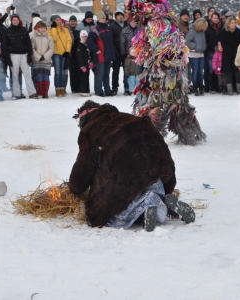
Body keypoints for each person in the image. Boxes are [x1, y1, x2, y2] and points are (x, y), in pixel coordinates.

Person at [69, 100, 195, 231]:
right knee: (149, 184)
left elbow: (83, 169)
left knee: (103, 213)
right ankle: (161, 204)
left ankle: (147, 203)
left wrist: (74, 188)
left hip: (128, 180)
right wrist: (169, 184)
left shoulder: (90, 131)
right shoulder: (129, 118)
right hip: (160, 174)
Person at [2, 14, 38, 99]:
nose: (15, 21)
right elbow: (5, 46)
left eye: (17, 20)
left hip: (24, 55)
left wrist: (29, 55)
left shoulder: (24, 30)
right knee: (15, 75)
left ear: (19, 20)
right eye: (14, 20)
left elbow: (28, 44)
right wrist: (7, 58)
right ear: (11, 21)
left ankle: (32, 92)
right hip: (13, 55)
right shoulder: (7, 31)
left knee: (27, 74)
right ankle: (17, 93)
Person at [87, 11, 115, 97]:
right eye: (102, 18)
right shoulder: (94, 30)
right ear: (99, 19)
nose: (104, 20)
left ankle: (107, 91)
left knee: (107, 75)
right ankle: (99, 91)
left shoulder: (107, 29)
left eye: (105, 18)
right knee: (100, 74)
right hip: (100, 56)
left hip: (108, 55)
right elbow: (89, 41)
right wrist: (96, 49)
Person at [48, 14, 72, 97]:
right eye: (56, 20)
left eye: (59, 19)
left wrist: (67, 51)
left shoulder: (65, 30)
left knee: (62, 72)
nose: (58, 21)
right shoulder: (50, 31)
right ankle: (57, 89)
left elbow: (69, 40)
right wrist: (54, 28)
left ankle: (62, 88)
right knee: (57, 72)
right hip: (56, 54)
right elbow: (54, 39)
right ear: (53, 22)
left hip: (64, 53)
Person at [219, 17, 240, 95]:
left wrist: (238, 51)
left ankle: (239, 89)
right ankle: (229, 90)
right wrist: (231, 51)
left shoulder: (238, 31)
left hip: (237, 54)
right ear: (228, 24)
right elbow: (224, 44)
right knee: (228, 73)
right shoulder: (223, 32)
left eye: (234, 23)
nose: (234, 24)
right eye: (232, 23)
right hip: (227, 55)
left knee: (238, 72)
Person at [31, 20, 54, 99]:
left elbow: (51, 48)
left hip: (46, 60)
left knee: (46, 76)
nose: (43, 29)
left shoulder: (49, 38)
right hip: (37, 60)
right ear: (38, 28)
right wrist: (38, 56)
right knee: (39, 76)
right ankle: (40, 92)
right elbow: (32, 48)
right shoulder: (34, 37)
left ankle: (46, 93)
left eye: (44, 28)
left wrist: (45, 56)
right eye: (41, 28)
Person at [119, 16, 141, 95]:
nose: (133, 23)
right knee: (127, 72)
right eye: (132, 21)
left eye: (135, 22)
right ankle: (127, 88)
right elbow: (122, 43)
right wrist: (124, 54)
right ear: (129, 22)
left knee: (137, 71)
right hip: (128, 54)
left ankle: (137, 87)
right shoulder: (124, 31)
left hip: (138, 54)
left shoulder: (140, 30)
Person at [186, 18, 208, 96]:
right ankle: (195, 87)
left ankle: (201, 87)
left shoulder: (203, 32)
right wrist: (195, 46)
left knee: (200, 72)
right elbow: (187, 41)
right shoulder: (192, 31)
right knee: (195, 71)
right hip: (193, 54)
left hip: (201, 53)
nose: (203, 28)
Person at [109, 9, 128, 96]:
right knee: (115, 71)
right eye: (118, 15)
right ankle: (114, 87)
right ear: (116, 16)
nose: (120, 16)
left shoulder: (127, 25)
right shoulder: (112, 25)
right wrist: (113, 50)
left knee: (127, 71)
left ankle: (127, 87)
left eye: (121, 15)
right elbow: (111, 39)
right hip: (116, 52)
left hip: (126, 52)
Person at [205, 12, 223, 93]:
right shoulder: (207, 27)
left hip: (220, 50)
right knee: (211, 68)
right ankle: (211, 86)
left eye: (217, 18)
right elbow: (206, 39)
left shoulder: (221, 26)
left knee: (218, 68)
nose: (216, 20)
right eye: (214, 18)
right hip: (211, 49)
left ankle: (218, 86)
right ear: (211, 18)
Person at [76, 30, 93, 96]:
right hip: (82, 66)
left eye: (85, 37)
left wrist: (91, 62)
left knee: (87, 77)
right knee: (83, 78)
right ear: (80, 37)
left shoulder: (87, 45)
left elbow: (90, 54)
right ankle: (83, 91)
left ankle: (87, 90)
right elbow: (79, 57)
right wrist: (82, 66)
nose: (84, 38)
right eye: (83, 37)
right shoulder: (79, 46)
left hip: (87, 64)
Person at [68, 15, 81, 94]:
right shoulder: (67, 31)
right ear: (69, 22)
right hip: (70, 54)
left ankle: (79, 87)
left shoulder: (78, 31)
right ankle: (74, 88)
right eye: (72, 21)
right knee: (72, 72)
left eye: (74, 21)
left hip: (78, 54)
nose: (73, 23)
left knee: (78, 72)